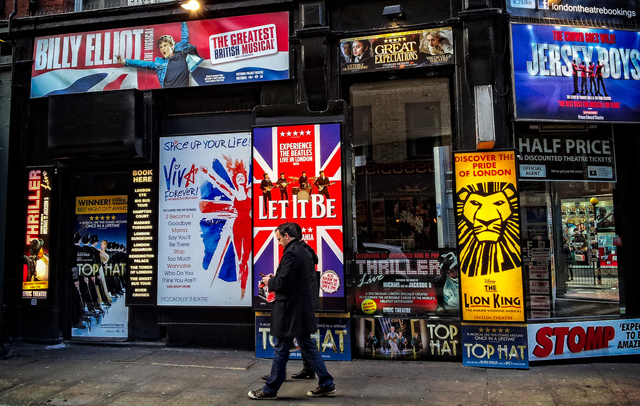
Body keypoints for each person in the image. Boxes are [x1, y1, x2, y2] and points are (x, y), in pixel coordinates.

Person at [248, 222, 336, 400]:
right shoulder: (303, 250)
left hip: (289, 310)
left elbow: (282, 284)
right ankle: (326, 383)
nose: (279, 242)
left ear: (287, 236)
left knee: (281, 348)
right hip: (301, 308)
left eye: (279, 238)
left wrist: (269, 282)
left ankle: (270, 389)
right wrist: (277, 277)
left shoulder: (291, 253)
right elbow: (292, 278)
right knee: (308, 346)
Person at [116, 22, 203, 88]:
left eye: (165, 45)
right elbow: (143, 64)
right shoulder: (160, 64)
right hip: (168, 97)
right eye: (161, 47)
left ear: (172, 45)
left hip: (184, 95)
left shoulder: (182, 54)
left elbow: (185, 36)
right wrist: (125, 61)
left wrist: (183, 21)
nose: (163, 49)